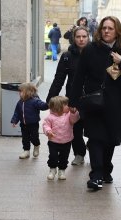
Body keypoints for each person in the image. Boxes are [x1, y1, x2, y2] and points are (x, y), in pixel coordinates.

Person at [70, 16, 121, 190]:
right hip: (93, 101)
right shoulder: (90, 49)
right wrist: (73, 101)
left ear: (117, 31)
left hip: (114, 102)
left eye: (110, 28)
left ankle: (106, 169)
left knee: (110, 139)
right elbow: (78, 76)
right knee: (95, 138)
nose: (106, 31)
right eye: (104, 28)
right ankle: (96, 175)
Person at [46, 26, 90, 165]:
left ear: (88, 38)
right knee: (75, 128)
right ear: (73, 39)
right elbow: (59, 79)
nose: (81, 39)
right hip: (74, 97)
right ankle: (79, 154)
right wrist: (50, 99)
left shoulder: (94, 53)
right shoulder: (67, 56)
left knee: (93, 128)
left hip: (92, 98)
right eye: (78, 37)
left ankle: (93, 149)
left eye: (84, 36)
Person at [43, 96, 80, 180]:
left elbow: (74, 120)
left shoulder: (69, 115)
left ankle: (61, 170)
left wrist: (74, 112)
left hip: (66, 141)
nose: (69, 106)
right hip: (53, 141)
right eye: (66, 105)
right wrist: (48, 131)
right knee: (53, 156)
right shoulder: (50, 117)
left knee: (64, 157)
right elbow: (46, 125)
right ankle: (52, 170)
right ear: (58, 107)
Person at [10, 83, 48, 159]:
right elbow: (17, 112)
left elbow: (42, 106)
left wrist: (49, 104)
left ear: (28, 92)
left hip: (33, 124)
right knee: (25, 138)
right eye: (19, 92)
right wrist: (14, 120)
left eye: (21, 92)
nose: (19, 93)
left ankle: (36, 146)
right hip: (23, 124)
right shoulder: (20, 102)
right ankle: (26, 151)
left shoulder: (35, 101)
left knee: (34, 137)